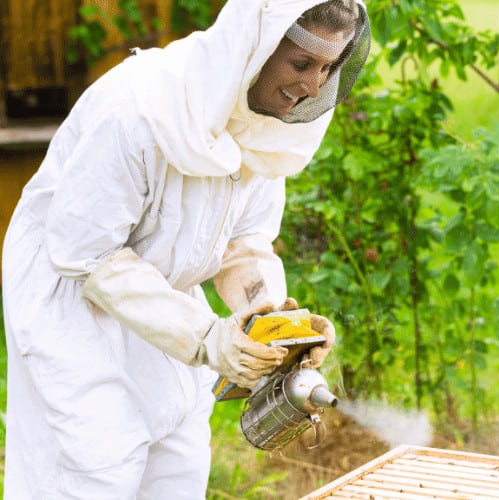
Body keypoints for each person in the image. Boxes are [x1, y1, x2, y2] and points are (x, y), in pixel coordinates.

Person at [1, 0, 370, 497]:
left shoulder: (266, 126)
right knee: (96, 464)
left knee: (177, 461)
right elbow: (88, 253)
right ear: (254, 47)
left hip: (165, 297)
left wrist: (274, 325)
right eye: (301, 64)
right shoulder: (135, 110)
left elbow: (244, 243)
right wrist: (207, 340)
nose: (312, 86)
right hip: (72, 297)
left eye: (327, 68)